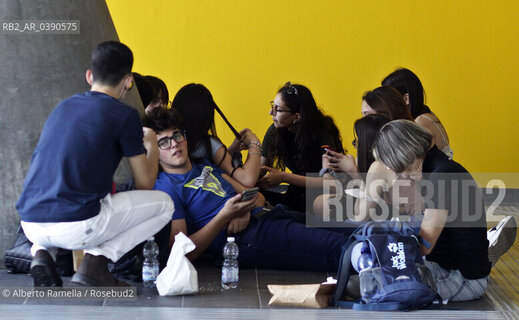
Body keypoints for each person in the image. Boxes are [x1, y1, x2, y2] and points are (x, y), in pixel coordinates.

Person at [16, 41, 174, 287]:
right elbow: (145, 184)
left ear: (89, 76)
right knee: (165, 205)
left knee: (75, 199)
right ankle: (96, 262)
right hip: (75, 227)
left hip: (30, 223)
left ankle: (41, 254)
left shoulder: (63, 107)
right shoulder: (124, 116)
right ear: (128, 81)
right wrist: (152, 143)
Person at [144, 108, 360, 272]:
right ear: (153, 149)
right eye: (163, 142)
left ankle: (390, 245)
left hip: (270, 215)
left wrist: (242, 211)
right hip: (244, 239)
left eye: (177, 136)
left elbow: (255, 196)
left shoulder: (204, 166)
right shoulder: (166, 188)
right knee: (341, 247)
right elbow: (180, 253)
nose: (174, 144)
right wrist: (224, 216)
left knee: (355, 230)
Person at [368, 120, 494, 301]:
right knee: (373, 277)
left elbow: (424, 246)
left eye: (391, 164)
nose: (391, 171)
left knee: (377, 288)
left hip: (464, 279)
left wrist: (384, 243)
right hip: (449, 267)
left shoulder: (442, 176)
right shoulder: (436, 171)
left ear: (402, 156)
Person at [259, 82, 344, 212]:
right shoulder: (275, 130)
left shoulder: (322, 133)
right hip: (296, 191)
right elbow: (261, 168)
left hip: (322, 196)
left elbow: (330, 184)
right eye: (272, 106)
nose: (271, 112)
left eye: (278, 109)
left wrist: (284, 177)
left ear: (296, 117)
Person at [172, 83, 261, 188]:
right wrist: (255, 143)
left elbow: (215, 166)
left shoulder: (168, 142)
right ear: (206, 114)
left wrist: (230, 151)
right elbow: (247, 179)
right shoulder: (207, 144)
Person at [382, 68, 453, 159]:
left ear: (406, 98)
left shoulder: (421, 122)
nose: (384, 104)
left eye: (388, 99)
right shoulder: (423, 116)